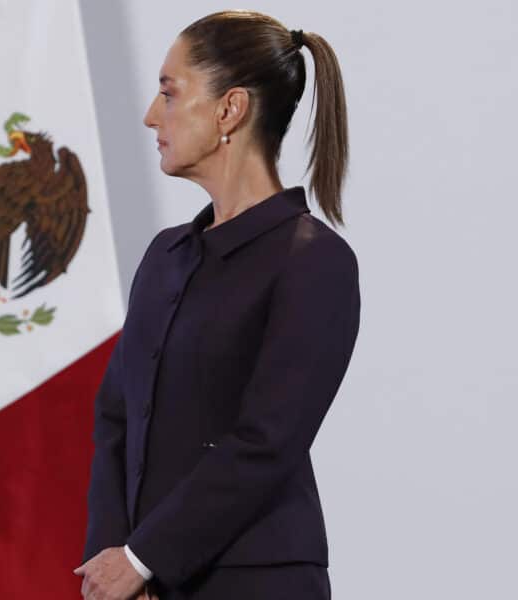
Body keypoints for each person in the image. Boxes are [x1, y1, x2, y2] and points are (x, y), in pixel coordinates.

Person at [73, 9, 359, 600]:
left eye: (169, 93)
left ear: (230, 109)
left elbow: (267, 440)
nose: (153, 115)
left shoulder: (313, 261)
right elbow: (115, 417)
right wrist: (115, 561)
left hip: (256, 583)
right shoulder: (165, 256)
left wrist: (144, 557)